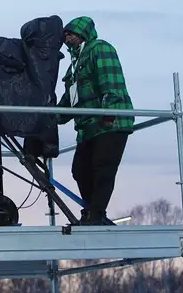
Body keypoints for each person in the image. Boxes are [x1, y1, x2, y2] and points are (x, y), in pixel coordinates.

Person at [55, 16, 134, 225]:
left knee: (102, 168)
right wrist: (49, 116)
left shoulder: (100, 49)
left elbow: (111, 82)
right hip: (89, 126)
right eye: (65, 33)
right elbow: (70, 100)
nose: (66, 36)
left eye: (70, 32)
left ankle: (96, 214)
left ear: (82, 34)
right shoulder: (74, 65)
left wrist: (108, 116)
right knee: (79, 169)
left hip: (110, 122)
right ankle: (93, 211)